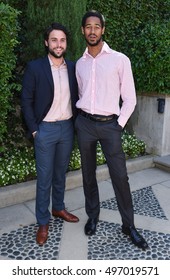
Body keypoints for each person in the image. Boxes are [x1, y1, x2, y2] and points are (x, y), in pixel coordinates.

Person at [75, 10, 148, 250]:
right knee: (88, 174)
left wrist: (118, 125)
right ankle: (93, 216)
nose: (92, 31)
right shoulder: (80, 64)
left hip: (110, 126)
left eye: (97, 26)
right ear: (83, 30)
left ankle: (129, 225)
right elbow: (81, 94)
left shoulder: (120, 59)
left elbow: (130, 99)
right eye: (88, 26)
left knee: (120, 176)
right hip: (85, 124)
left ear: (103, 30)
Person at [21, 22, 79, 246]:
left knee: (60, 174)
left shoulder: (72, 68)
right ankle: (43, 221)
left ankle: (58, 208)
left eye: (62, 40)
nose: (58, 44)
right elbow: (26, 101)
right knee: (44, 179)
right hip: (45, 129)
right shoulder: (36, 68)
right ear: (47, 42)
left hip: (66, 128)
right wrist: (35, 130)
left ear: (66, 43)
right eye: (54, 40)